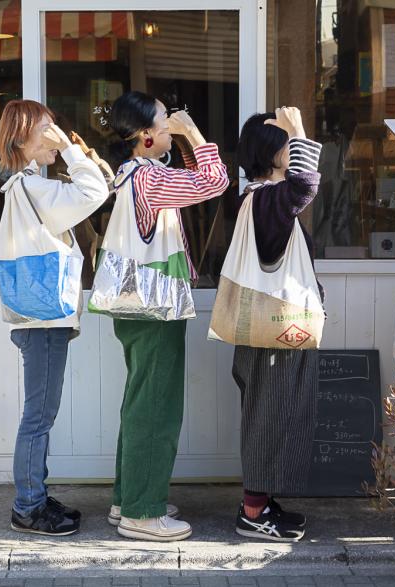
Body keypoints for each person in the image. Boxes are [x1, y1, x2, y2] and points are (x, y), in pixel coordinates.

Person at [106, 90, 229, 541]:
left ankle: (130, 498)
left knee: (141, 401)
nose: (172, 124)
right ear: (144, 136)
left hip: (139, 305)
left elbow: (195, 179)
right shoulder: (149, 181)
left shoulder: (136, 174)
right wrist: (195, 133)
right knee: (156, 407)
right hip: (153, 307)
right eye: (164, 121)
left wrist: (182, 138)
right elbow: (215, 183)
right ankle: (143, 511)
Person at [0, 99, 110, 536]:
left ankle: (35, 495)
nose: (56, 135)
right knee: (39, 416)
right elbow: (95, 192)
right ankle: (28, 506)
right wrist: (72, 152)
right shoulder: (34, 187)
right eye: (47, 128)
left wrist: (66, 151)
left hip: (36, 318)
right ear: (22, 138)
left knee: (40, 413)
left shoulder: (28, 187)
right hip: (42, 322)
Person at [231, 107, 324, 542]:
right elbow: (306, 185)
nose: (293, 148)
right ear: (272, 153)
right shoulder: (267, 199)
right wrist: (300, 129)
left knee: (271, 413)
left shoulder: (261, 197)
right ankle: (253, 512)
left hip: (267, 328)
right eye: (288, 143)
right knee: (269, 416)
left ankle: (262, 502)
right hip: (272, 332)